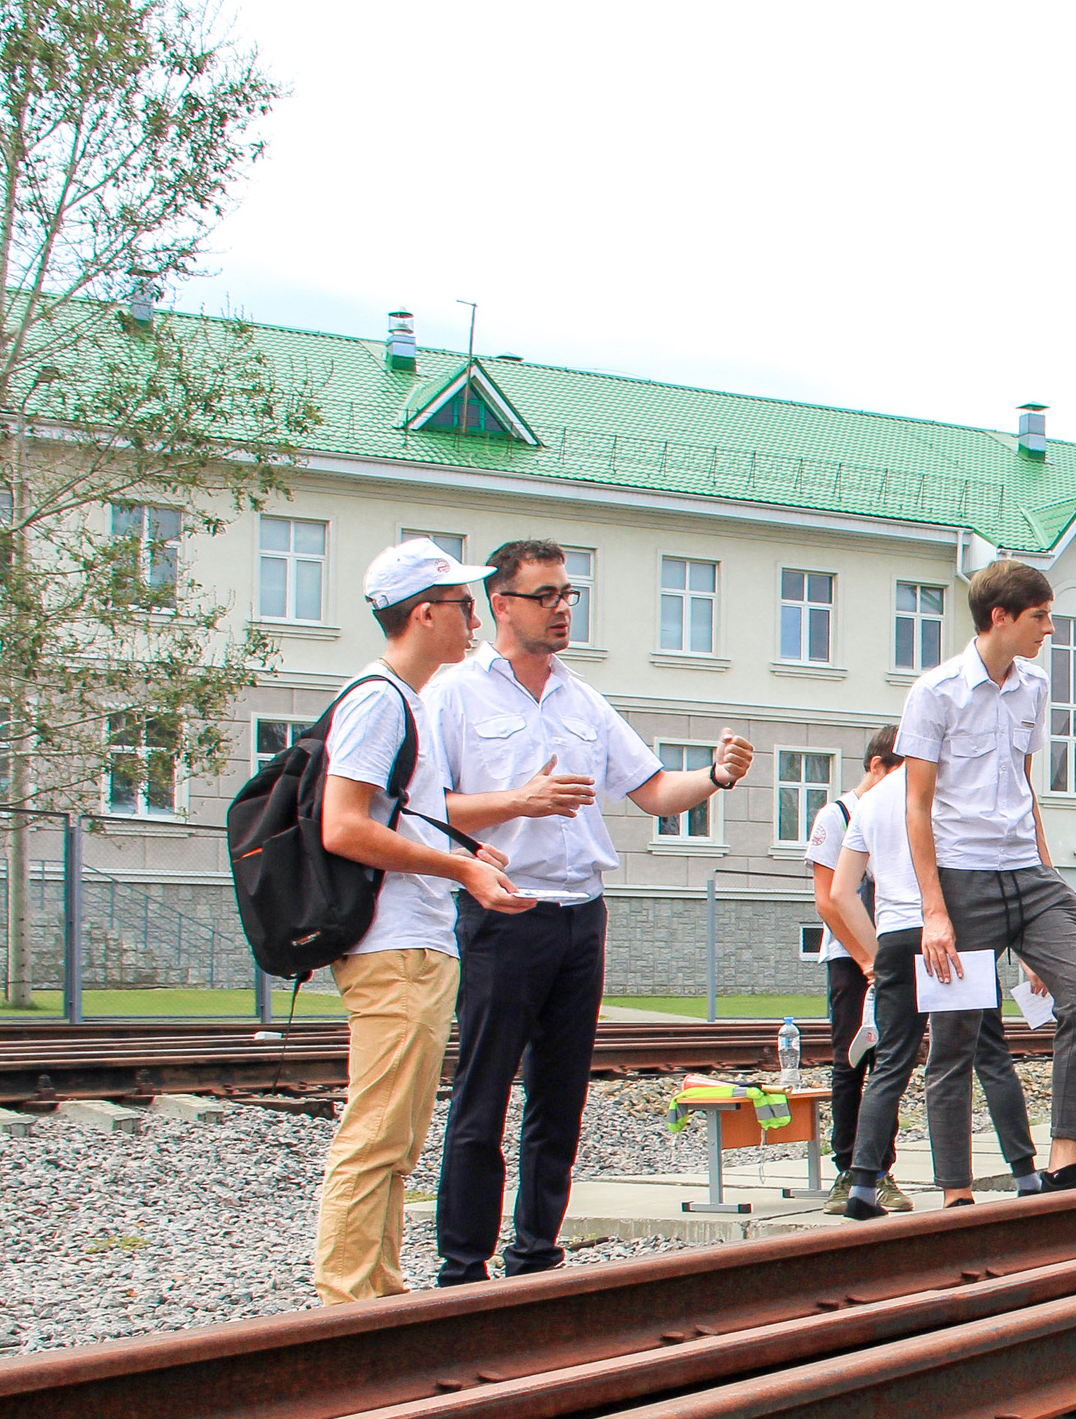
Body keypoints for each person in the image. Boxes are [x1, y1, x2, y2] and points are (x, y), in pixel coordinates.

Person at [424, 539, 752, 1285]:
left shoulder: (583, 700)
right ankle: (461, 1266)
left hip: (580, 915)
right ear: (501, 603)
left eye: (569, 594)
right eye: (547, 596)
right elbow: (424, 808)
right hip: (504, 911)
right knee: (483, 1095)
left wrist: (714, 776)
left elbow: (654, 790)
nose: (563, 608)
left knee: (560, 1098)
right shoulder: (454, 695)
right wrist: (518, 802)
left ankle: (536, 1253)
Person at [313, 540, 534, 1306]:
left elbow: (395, 816)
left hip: (415, 943)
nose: (474, 617)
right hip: (392, 946)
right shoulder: (378, 698)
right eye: (463, 604)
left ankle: (378, 1292)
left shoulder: (404, 699)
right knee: (378, 1136)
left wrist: (468, 850)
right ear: (425, 613)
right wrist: (460, 869)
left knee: (397, 1140)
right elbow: (343, 826)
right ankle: (348, 1302)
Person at [894, 558, 1076, 1203]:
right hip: (962, 880)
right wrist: (934, 912)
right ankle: (957, 1193)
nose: (1049, 629)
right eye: (1041, 617)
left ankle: (1064, 1161)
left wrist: (1045, 869)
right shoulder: (934, 693)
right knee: (955, 1040)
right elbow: (916, 804)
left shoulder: (1035, 684)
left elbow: (1024, 782)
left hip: (1028, 872)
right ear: (1001, 618)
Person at [836, 757, 1047, 1213]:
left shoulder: (869, 801)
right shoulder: (948, 784)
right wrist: (1025, 949)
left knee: (890, 1061)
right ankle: (1015, 1177)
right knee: (987, 1054)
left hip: (894, 934)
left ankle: (862, 1185)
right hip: (953, 932)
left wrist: (876, 955)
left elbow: (840, 892)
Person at [803, 725, 909, 1212]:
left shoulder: (899, 812)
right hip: (850, 957)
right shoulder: (838, 815)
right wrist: (866, 958)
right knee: (851, 1061)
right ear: (877, 766)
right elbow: (828, 901)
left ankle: (879, 1167)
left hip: (889, 951)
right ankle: (847, 1168)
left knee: (890, 1059)